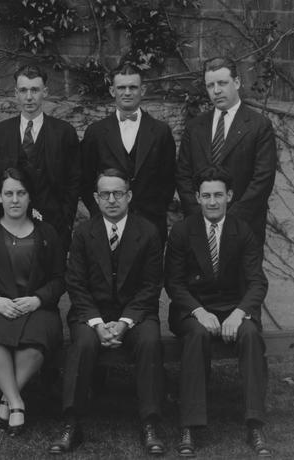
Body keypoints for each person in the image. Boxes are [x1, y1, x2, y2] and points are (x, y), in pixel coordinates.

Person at [48, 168, 165, 455]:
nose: (112, 199)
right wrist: (99, 324)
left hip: (136, 314)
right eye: (105, 194)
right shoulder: (83, 233)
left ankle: (150, 422)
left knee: (150, 342)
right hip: (91, 313)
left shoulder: (148, 232)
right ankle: (71, 423)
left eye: (118, 193)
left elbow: (151, 286)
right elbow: (75, 283)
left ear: (129, 196)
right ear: (96, 199)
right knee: (84, 343)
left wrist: (125, 322)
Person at [165, 166, 270, 458]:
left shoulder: (243, 230)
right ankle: (190, 423)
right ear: (197, 197)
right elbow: (172, 282)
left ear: (230, 196)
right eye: (206, 195)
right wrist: (198, 311)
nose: (212, 202)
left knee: (250, 334)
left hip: (233, 306)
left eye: (219, 195)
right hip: (193, 308)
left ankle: (255, 423)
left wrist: (240, 313)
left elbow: (257, 281)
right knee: (196, 336)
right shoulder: (183, 231)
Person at [0, 167, 65, 436]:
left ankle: (7, 398)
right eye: (9, 193)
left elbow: (59, 279)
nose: (15, 199)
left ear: (30, 197)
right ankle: (16, 401)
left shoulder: (47, 233)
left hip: (34, 308)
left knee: (39, 338)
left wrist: (38, 299)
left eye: (21, 193)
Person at [176, 56, 277, 246]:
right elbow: (183, 175)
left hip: (244, 228)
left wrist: (230, 221)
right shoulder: (195, 126)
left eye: (222, 83)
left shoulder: (259, 125)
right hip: (200, 229)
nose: (216, 91)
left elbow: (263, 179)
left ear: (237, 82)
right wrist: (201, 217)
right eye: (210, 85)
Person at [0, 64, 80, 251]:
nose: (29, 97)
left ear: (45, 92)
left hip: (54, 228)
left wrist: (65, 220)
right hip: (8, 226)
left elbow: (74, 181)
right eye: (23, 90)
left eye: (34, 90)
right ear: (15, 94)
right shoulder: (0, 133)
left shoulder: (64, 132)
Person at [81, 63, 176, 246]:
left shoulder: (160, 131)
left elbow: (168, 179)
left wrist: (155, 211)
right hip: (107, 222)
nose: (127, 92)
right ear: (112, 91)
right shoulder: (96, 132)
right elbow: (86, 180)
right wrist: (100, 212)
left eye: (133, 87)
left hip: (151, 223)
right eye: (121, 87)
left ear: (143, 90)